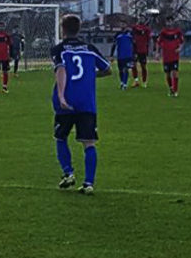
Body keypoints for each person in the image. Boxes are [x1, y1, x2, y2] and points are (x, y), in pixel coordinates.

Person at [51, 14, 111, 195]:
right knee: (89, 143)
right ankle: (89, 183)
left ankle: (68, 173)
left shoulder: (59, 49)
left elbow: (61, 70)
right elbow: (107, 70)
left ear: (63, 29)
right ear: (79, 29)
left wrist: (61, 96)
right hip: (87, 102)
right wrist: (90, 76)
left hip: (66, 102)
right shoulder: (90, 49)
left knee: (61, 137)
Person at [156, 15, 184, 97]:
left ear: (173, 22)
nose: (169, 23)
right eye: (168, 21)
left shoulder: (177, 32)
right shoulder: (163, 32)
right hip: (166, 56)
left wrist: (180, 48)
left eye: (171, 21)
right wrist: (157, 53)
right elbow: (158, 42)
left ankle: (175, 91)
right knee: (167, 74)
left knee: (175, 73)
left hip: (174, 56)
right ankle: (171, 88)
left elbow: (182, 42)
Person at [110, 25, 134, 90]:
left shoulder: (130, 35)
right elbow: (114, 45)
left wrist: (134, 54)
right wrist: (111, 55)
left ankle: (124, 84)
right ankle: (122, 82)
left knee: (126, 69)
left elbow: (134, 45)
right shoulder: (118, 36)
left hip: (128, 56)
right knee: (121, 70)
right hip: (121, 55)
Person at [131, 17, 152, 87]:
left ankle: (144, 81)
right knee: (133, 65)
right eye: (140, 18)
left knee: (143, 66)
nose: (141, 20)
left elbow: (149, 39)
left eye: (143, 18)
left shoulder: (147, 29)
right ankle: (136, 81)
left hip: (143, 50)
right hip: (135, 50)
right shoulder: (135, 27)